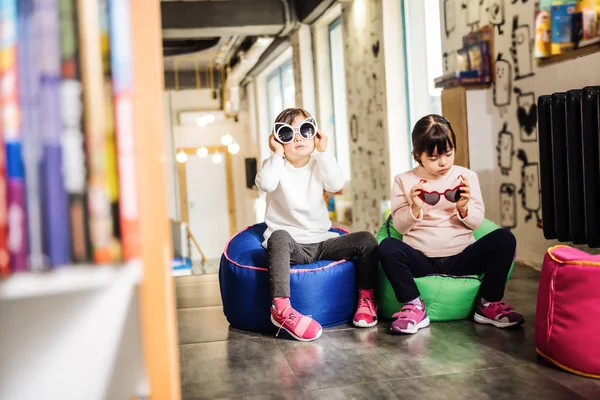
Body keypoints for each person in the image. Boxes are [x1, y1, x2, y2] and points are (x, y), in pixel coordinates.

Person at [378, 114, 523, 335]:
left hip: (461, 256)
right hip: (421, 258)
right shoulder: (403, 180)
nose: (444, 162)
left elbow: (476, 223)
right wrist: (415, 208)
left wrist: (464, 207)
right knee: (387, 247)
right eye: (434, 157)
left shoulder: (467, 176)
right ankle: (414, 305)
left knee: (504, 238)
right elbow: (398, 227)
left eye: (448, 153)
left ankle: (488, 303)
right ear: (418, 154)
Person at [255, 108, 378, 342]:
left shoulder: (318, 163)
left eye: (305, 130)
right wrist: (277, 154)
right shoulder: (274, 165)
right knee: (278, 237)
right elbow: (267, 185)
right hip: (293, 245)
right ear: (278, 140)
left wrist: (323, 152)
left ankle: (366, 298)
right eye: (287, 134)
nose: (298, 138)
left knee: (366, 240)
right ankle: (281, 308)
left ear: (315, 134)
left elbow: (335, 184)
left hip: (322, 241)